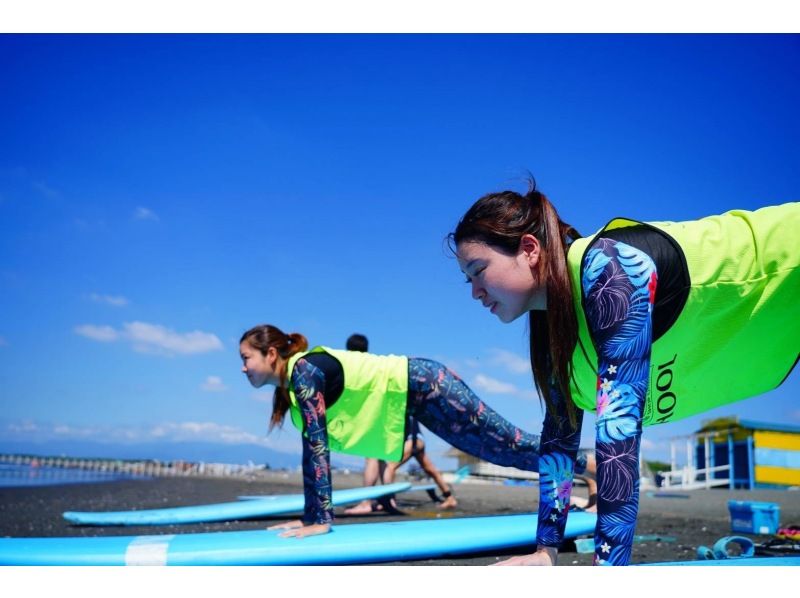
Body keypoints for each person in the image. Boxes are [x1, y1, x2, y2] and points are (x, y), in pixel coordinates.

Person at [450, 180, 799, 566]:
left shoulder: (608, 271)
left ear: (530, 250)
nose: (474, 292)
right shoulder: (554, 329)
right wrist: (545, 552)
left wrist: (609, 574)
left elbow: (618, 438)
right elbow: (559, 440)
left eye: (478, 271)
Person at [239, 324, 596, 539]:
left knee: (509, 445)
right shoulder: (290, 387)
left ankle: (594, 468)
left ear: (271, 354)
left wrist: (320, 519)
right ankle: (590, 470)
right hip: (412, 396)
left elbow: (318, 449)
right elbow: (309, 448)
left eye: (246, 358)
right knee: (503, 453)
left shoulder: (303, 373)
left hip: (425, 384)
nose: (243, 368)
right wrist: (309, 514)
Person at [342, 333, 458, 515]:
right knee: (430, 469)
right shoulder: (383, 371)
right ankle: (449, 496)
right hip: (416, 439)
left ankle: (383, 501)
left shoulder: (387, 390)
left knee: (387, 465)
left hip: (411, 440)